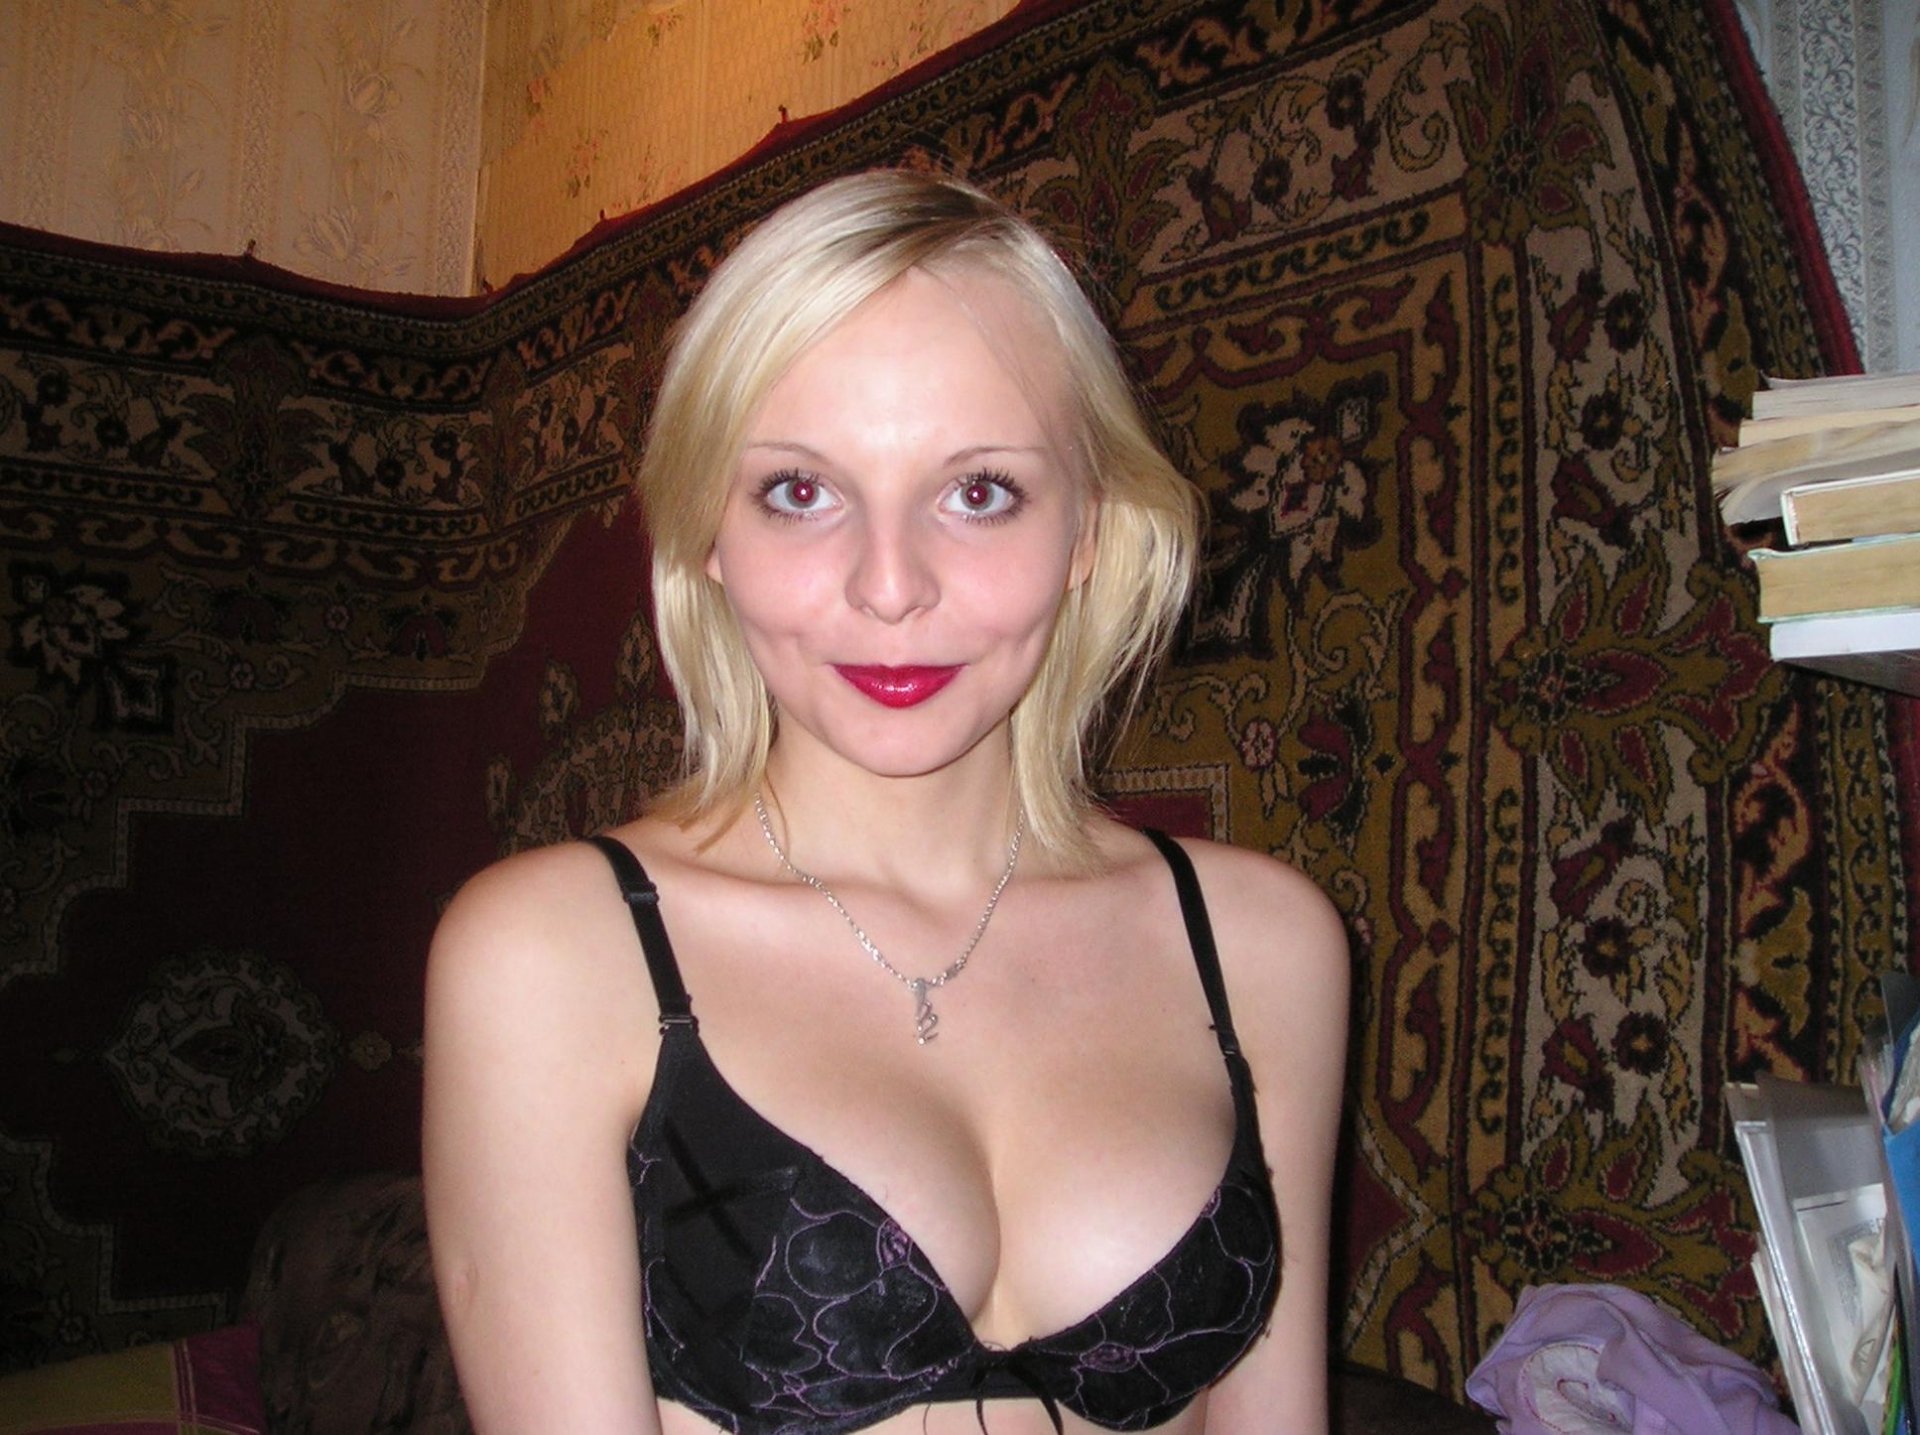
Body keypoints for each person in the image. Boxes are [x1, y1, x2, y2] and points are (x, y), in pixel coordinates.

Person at [423, 170, 1350, 1434]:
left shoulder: (1263, 945)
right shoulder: (549, 954)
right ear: (708, 531)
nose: (892, 585)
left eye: (980, 490)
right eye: (801, 491)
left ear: (1086, 525)